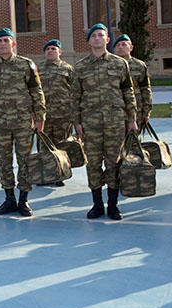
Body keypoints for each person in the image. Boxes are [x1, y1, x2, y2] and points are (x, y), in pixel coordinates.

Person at [72, 24, 138, 220]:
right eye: (94, 36)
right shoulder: (81, 67)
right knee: (93, 163)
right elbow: (75, 96)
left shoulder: (120, 64)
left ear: (107, 40)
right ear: (89, 41)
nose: (98, 38)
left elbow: (129, 93)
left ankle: (113, 205)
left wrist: (132, 119)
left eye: (101, 35)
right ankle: (97, 204)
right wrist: (77, 121)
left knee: (113, 163)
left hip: (115, 122)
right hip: (90, 123)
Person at [0, 28, 46, 216]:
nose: (3, 44)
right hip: (1, 122)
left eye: (6, 40)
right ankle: (9, 199)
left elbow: (37, 91)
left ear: (13, 44)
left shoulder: (26, 65)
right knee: (4, 161)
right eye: (0, 41)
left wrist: (40, 116)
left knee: (24, 160)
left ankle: (23, 201)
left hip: (22, 121)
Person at [38, 39, 76, 186]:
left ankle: (60, 174)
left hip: (63, 115)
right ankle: (45, 174)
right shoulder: (38, 69)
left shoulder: (68, 69)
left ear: (60, 52)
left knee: (61, 146)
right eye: (47, 49)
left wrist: (73, 113)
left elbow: (75, 91)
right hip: (44, 116)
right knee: (44, 146)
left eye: (53, 49)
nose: (50, 51)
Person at [112, 34, 152, 128]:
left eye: (124, 44)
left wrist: (146, 112)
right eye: (118, 45)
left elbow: (145, 89)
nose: (120, 47)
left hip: (135, 112)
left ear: (131, 47)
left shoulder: (140, 66)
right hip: (114, 112)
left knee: (132, 140)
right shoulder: (110, 66)